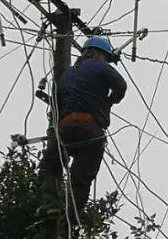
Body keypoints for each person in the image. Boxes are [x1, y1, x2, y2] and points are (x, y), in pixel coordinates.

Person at [54, 35, 127, 222]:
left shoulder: (67, 74)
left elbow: (58, 101)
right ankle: (67, 224)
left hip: (64, 129)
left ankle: (50, 208)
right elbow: (120, 86)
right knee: (80, 181)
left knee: (52, 167)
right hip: (89, 128)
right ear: (98, 54)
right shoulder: (98, 65)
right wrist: (109, 102)